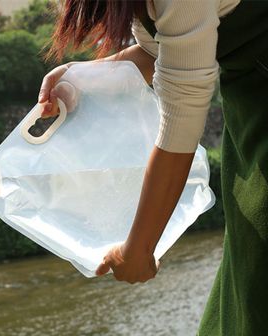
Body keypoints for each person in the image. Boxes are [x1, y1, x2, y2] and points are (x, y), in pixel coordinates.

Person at [38, 1, 268, 334]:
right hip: (250, 110)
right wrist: (81, 78)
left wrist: (139, 248)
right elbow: (159, 53)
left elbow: (182, 111)